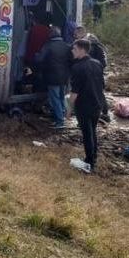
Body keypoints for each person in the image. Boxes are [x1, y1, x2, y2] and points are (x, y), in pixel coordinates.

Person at [68, 39, 106, 173]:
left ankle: (89, 161)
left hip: (84, 105)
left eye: (74, 49)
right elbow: (102, 85)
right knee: (92, 131)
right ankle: (93, 156)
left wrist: (69, 109)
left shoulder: (77, 67)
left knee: (87, 133)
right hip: (97, 103)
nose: (72, 51)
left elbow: (75, 92)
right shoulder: (97, 64)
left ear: (82, 50)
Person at [33, 26, 71, 129]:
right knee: (61, 97)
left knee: (55, 99)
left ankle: (59, 122)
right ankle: (61, 116)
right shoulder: (66, 46)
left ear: (50, 35)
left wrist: (36, 55)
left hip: (52, 77)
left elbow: (39, 59)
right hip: (64, 77)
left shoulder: (48, 46)